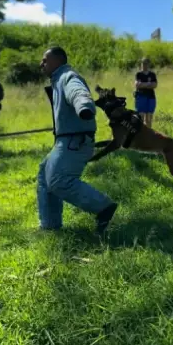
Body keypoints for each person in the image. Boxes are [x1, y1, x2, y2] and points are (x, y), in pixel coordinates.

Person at [37, 46, 118, 237]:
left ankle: (103, 207)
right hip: (65, 140)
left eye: (45, 60)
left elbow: (78, 92)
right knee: (44, 175)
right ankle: (50, 225)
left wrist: (84, 106)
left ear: (57, 61)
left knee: (59, 180)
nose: (41, 64)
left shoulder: (68, 77)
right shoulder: (57, 80)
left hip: (75, 141)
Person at [134, 57, 157, 128]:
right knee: (141, 117)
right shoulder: (138, 74)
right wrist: (148, 84)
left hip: (151, 97)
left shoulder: (152, 74)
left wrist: (143, 84)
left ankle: (148, 135)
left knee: (149, 119)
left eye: (146, 63)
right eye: (143, 63)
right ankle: (141, 135)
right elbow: (137, 85)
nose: (144, 65)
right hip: (140, 97)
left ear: (149, 64)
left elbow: (155, 85)